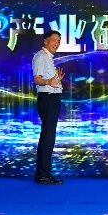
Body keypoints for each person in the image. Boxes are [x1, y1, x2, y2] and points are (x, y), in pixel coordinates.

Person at [31, 30, 65, 185]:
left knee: (48, 137)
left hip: (52, 98)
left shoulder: (48, 58)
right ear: (45, 41)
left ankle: (42, 173)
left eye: (58, 41)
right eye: (54, 40)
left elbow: (49, 80)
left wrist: (56, 80)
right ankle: (43, 174)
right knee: (48, 138)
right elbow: (37, 79)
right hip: (48, 99)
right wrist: (49, 82)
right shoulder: (41, 57)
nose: (56, 43)